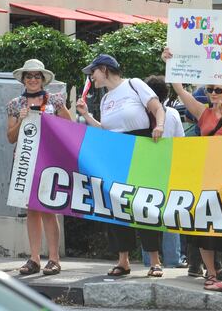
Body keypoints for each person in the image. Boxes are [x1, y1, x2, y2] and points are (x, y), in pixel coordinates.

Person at [161, 47, 222, 293]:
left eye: (217, 90)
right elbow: (180, 90)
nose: (212, 94)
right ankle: (212, 273)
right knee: (206, 223)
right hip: (207, 171)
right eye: (209, 89)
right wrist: (170, 63)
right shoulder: (201, 111)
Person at [76, 54, 166, 278]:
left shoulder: (134, 84)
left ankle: (154, 260)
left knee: (145, 202)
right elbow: (106, 130)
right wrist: (86, 115)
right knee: (116, 204)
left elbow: (157, 109)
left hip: (141, 144)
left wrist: (160, 126)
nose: (91, 77)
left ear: (104, 69)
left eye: (93, 72)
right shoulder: (105, 99)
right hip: (115, 149)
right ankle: (123, 260)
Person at [6, 59, 72, 276]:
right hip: (25, 160)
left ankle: (54, 259)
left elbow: (70, 128)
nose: (33, 80)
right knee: (31, 210)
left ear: (43, 79)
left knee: (49, 210)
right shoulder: (15, 104)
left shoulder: (55, 100)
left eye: (36, 76)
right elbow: (10, 137)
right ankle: (34, 258)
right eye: (29, 76)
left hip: (49, 159)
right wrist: (21, 121)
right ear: (23, 79)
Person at [144, 75, 186, 269]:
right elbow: (181, 142)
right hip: (170, 167)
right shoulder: (173, 114)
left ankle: (149, 260)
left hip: (145, 168)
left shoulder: (141, 114)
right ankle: (173, 259)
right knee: (170, 215)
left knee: (146, 214)